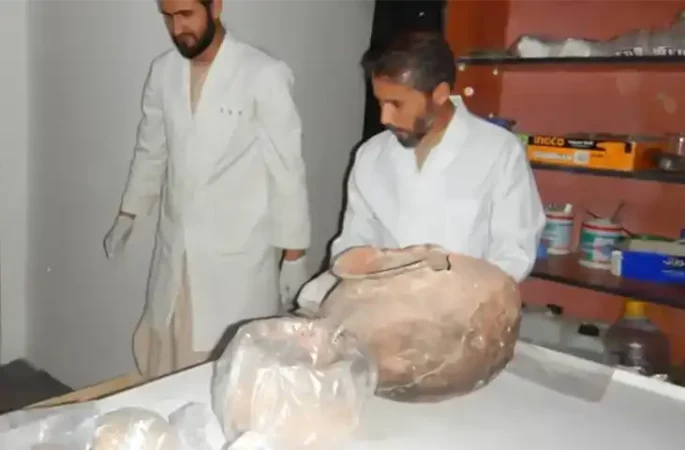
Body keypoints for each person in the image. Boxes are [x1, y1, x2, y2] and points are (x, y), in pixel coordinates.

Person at [103, 0, 311, 379]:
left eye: (186, 15)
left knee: (226, 370)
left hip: (236, 256)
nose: (176, 29)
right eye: (168, 17)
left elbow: (287, 170)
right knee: (166, 362)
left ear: (215, 7)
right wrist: (129, 212)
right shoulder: (164, 71)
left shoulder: (262, 73)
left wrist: (294, 256)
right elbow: (151, 150)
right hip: (176, 251)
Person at [297, 31, 545, 311]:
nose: (385, 117)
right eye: (380, 102)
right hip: (382, 313)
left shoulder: (498, 151)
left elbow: (513, 253)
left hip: (463, 316)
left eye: (397, 104)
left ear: (440, 94)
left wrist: (454, 299)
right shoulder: (371, 155)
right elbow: (355, 241)